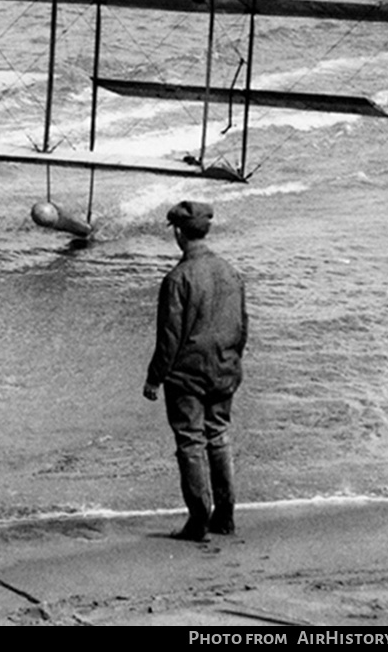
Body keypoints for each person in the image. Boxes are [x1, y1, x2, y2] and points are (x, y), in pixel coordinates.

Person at [143, 200, 247, 541]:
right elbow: (242, 326)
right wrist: (232, 362)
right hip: (225, 368)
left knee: (190, 441)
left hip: (188, 375)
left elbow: (169, 339)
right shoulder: (231, 272)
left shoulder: (177, 279)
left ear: (177, 233)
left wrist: (154, 377)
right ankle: (225, 516)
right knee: (218, 435)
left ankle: (198, 519)